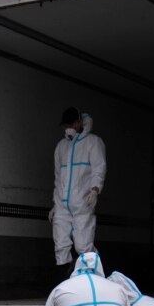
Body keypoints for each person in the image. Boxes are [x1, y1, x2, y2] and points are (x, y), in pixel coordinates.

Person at [52, 107, 107, 271]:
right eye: (65, 125)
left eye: (70, 124)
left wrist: (95, 190)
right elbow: (57, 178)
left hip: (82, 202)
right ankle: (62, 283)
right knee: (60, 244)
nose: (67, 128)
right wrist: (55, 204)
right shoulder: (61, 146)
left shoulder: (93, 142)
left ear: (78, 122)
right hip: (62, 204)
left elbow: (99, 168)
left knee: (83, 246)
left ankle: (95, 278)